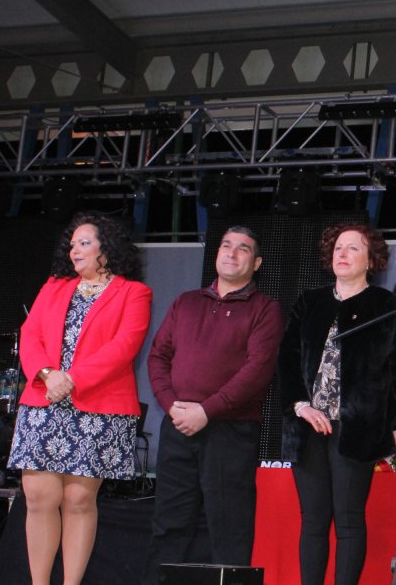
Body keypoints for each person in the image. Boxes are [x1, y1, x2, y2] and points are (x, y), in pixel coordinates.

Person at [9, 212, 152, 585]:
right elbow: (31, 335)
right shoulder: (54, 286)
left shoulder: (134, 292)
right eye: (71, 244)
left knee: (78, 501)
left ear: (107, 248)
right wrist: (45, 375)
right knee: (39, 497)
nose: (74, 250)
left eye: (84, 242)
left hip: (98, 406)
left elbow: (124, 346)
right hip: (44, 401)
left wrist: (70, 379)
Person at [277, 224, 396, 585]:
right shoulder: (310, 301)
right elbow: (288, 360)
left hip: (357, 430)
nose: (343, 254)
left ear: (371, 260)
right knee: (313, 521)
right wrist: (300, 407)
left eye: (354, 248)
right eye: (339, 247)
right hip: (306, 426)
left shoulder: (387, 306)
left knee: (349, 519)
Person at [143, 226, 284, 582]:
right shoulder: (185, 302)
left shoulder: (265, 309)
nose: (232, 253)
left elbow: (257, 372)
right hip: (177, 426)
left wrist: (207, 411)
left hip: (231, 430)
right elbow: (158, 357)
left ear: (257, 263)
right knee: (168, 526)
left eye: (243, 249)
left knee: (229, 528)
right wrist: (172, 405)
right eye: (226, 245)